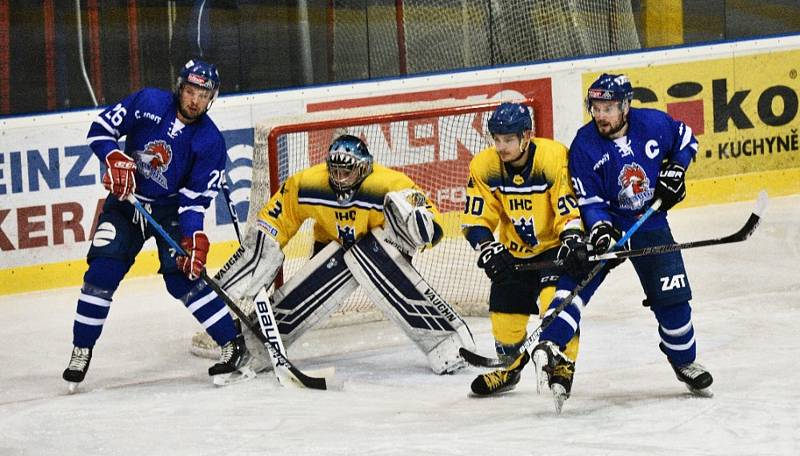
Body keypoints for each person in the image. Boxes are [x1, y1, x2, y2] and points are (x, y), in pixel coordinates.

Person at [213, 134, 475, 375]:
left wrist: (420, 229)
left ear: (363, 168)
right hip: (331, 246)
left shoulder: (391, 184)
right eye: (335, 170)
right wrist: (263, 251)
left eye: (346, 172)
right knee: (312, 283)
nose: (339, 178)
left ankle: (445, 342)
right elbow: (277, 220)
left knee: (374, 253)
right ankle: (254, 344)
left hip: (378, 247)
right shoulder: (308, 183)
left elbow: (433, 225)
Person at [62, 59, 252, 391]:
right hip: (127, 202)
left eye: (202, 94)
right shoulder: (148, 102)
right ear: (180, 87)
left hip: (170, 211)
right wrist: (113, 156)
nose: (194, 100)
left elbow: (193, 202)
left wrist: (193, 240)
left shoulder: (210, 142)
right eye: (190, 91)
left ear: (212, 98)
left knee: (182, 278)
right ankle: (82, 349)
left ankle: (231, 343)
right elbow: (99, 129)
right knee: (101, 275)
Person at [532, 73, 713, 407]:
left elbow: (686, 139)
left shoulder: (654, 123)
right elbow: (590, 201)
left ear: (626, 105)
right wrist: (601, 230)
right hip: (611, 225)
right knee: (577, 279)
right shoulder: (584, 144)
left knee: (673, 299)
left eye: (609, 108)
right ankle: (550, 345)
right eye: (595, 107)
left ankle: (683, 361)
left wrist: (676, 170)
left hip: (650, 222)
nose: (601, 115)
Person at [461, 102, 595, 400]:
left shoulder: (552, 156)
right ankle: (509, 370)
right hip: (514, 253)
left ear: (526, 136)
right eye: (496, 139)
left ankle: (563, 365)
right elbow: (476, 218)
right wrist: (488, 248)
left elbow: (567, 207)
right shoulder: (485, 166)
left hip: (553, 250)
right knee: (504, 322)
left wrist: (573, 240)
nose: (501, 146)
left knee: (557, 307)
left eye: (508, 139)